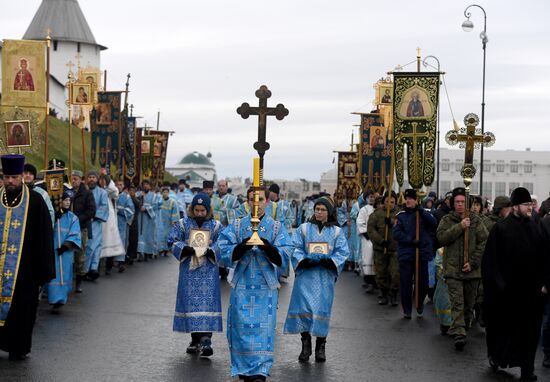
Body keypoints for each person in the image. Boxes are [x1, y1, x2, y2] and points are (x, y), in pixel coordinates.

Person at [217, 187, 291, 381]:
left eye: (260, 200)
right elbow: (222, 249)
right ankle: (242, 367)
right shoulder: (237, 225)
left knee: (264, 329)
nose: (256, 204)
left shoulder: (276, 227)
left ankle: (260, 370)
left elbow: (285, 253)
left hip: (265, 287)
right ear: (247, 202)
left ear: (267, 201)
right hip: (241, 284)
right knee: (241, 326)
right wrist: (242, 246)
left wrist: (267, 247)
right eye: (251, 200)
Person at [482, 187, 550, 381]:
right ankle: (497, 357)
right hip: (509, 295)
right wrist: (500, 287)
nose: (530, 208)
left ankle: (527, 370)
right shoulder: (501, 229)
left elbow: (547, 256)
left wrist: (546, 283)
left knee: (531, 333)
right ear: (514, 207)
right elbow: (491, 263)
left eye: (531, 204)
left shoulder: (537, 225)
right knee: (506, 331)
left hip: (534, 293)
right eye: (526, 205)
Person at [0, 154, 54, 360]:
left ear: (22, 176)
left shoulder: (36, 201)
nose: (10, 181)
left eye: (14, 177)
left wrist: (43, 270)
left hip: (25, 270)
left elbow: (44, 236)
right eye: (7, 177)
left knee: (22, 311)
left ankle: (18, 347)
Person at [284, 196, 348, 363]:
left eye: (323, 210)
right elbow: (295, 246)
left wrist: (330, 261)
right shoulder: (304, 228)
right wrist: (303, 259)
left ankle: (321, 345)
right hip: (306, 276)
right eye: (317, 209)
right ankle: (306, 345)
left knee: (322, 310)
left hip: (324, 278)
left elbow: (342, 251)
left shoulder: (337, 232)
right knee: (303, 308)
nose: (319, 213)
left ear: (329, 212)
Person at [168, 193, 223, 358]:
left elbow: (225, 243)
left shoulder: (216, 226)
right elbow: (171, 240)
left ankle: (206, 339)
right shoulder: (183, 224)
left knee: (207, 305)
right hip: (189, 272)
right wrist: (185, 248)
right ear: (192, 209)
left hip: (208, 272)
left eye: (203, 210)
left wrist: (211, 250)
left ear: (208, 210)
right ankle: (194, 339)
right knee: (191, 305)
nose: (199, 213)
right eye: (197, 210)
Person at [436, 187, 488, 350]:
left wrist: (472, 262)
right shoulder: (447, 220)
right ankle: (459, 333)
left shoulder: (476, 220)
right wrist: (460, 226)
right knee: (457, 302)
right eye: (457, 202)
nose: (459, 205)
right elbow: (441, 238)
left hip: (472, 272)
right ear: (453, 203)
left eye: (462, 202)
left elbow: (484, 242)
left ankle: (463, 326)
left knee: (468, 305)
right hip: (453, 271)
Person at [392, 189, 437, 319]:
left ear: (416, 200)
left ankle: (419, 302)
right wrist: (411, 240)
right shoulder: (400, 215)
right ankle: (407, 309)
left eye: (411, 198)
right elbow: (396, 234)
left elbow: (434, 224)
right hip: (406, 254)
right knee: (406, 282)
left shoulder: (423, 214)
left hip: (421, 253)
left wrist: (421, 211)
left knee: (423, 282)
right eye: (407, 199)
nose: (408, 201)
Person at [47, 190, 81, 309]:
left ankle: (61, 299)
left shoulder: (73, 218)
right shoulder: (54, 217)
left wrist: (66, 246)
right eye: (65, 200)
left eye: (69, 201)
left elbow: (75, 234)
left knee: (64, 274)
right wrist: (54, 218)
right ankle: (53, 299)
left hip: (65, 252)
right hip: (53, 250)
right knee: (53, 275)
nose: (67, 203)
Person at [367, 191, 400, 306]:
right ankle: (384, 294)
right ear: (383, 202)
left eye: (392, 202)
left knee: (395, 273)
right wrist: (381, 241)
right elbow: (371, 230)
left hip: (395, 249)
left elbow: (402, 226)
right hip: (380, 249)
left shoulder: (399, 214)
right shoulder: (376, 214)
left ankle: (394, 294)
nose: (389, 204)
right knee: (381, 273)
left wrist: (391, 222)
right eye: (387, 202)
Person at [70, 170, 96, 292]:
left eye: (76, 179)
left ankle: (79, 282)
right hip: (67, 229)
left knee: (79, 257)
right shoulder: (68, 192)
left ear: (81, 180)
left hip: (81, 228)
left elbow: (91, 211)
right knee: (67, 256)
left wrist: (77, 219)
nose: (73, 181)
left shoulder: (87, 194)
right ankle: (67, 282)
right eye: (72, 178)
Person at [84, 171, 109, 280]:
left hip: (95, 222)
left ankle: (93, 268)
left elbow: (104, 206)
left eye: (94, 177)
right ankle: (84, 269)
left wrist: (94, 216)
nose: (91, 179)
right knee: (87, 246)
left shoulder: (102, 193)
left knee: (95, 246)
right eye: (89, 177)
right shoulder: (83, 191)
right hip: (84, 221)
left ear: (97, 179)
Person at [99, 174, 125, 274]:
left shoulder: (109, 192)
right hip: (99, 220)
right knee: (98, 243)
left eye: (104, 180)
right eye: (100, 180)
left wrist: (107, 177)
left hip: (110, 221)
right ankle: (96, 266)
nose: (102, 182)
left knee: (110, 241)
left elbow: (115, 191)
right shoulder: (96, 191)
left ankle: (108, 266)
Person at [356, 190, 376, 293]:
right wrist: (366, 233)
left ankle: (375, 282)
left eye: (373, 197)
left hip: (376, 238)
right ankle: (368, 281)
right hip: (367, 238)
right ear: (367, 198)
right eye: (370, 197)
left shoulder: (377, 208)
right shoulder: (364, 209)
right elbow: (360, 222)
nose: (372, 199)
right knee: (367, 258)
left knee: (375, 259)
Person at [137, 180, 158, 261]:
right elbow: (134, 202)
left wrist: (145, 209)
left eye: (147, 184)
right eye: (144, 184)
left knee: (148, 236)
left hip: (149, 219)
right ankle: (140, 253)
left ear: (150, 186)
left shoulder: (154, 196)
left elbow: (155, 205)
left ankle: (147, 253)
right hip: (140, 218)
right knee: (140, 235)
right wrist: (139, 199)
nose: (145, 186)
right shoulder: (138, 194)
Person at [156, 187, 180, 256]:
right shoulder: (159, 201)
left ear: (168, 193)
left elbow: (175, 212)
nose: (165, 194)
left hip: (168, 222)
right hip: (160, 221)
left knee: (167, 236)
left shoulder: (172, 202)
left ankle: (166, 250)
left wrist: (174, 220)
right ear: (162, 193)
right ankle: (160, 249)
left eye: (166, 192)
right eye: (164, 192)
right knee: (160, 235)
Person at [115, 180, 135, 257]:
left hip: (121, 222)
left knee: (121, 240)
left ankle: (120, 260)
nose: (119, 186)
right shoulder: (111, 195)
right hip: (112, 222)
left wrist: (119, 211)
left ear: (123, 186)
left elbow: (130, 210)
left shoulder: (126, 197)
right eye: (117, 185)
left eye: (121, 185)